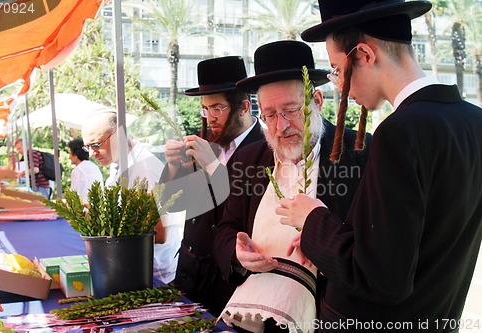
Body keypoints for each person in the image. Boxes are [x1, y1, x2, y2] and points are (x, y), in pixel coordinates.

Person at [275, 0, 482, 331]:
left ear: (365, 55)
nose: (339, 86)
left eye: (336, 70)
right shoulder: (473, 121)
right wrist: (324, 243)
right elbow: (411, 246)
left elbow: (381, 277)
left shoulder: (400, 131)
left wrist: (312, 218)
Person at [213, 41, 372, 333]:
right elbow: (225, 229)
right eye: (270, 115)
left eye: (291, 110)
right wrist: (238, 254)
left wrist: (325, 243)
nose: (280, 126)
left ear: (317, 101)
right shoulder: (249, 158)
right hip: (255, 319)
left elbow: (374, 245)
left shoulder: (361, 153)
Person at [160, 56, 264, 316]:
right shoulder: (204, 139)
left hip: (228, 286)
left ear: (243, 107)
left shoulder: (264, 148)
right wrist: (173, 167)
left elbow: (245, 210)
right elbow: (173, 202)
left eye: (217, 108)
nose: (210, 117)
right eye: (205, 109)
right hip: (189, 276)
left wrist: (213, 167)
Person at [81, 108, 182, 284]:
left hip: (153, 276)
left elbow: (159, 233)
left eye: (96, 145)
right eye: (87, 147)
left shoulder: (144, 168)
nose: (91, 153)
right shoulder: (118, 165)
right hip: (130, 265)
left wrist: (106, 227)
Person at [67, 138, 104, 204]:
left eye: (70, 154)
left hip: (83, 210)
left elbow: (73, 195)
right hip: (97, 208)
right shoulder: (94, 166)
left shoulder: (78, 170)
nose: (69, 157)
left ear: (75, 155)